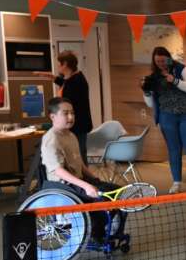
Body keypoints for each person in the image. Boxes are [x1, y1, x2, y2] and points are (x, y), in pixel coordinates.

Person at [40, 97, 123, 240]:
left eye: (72, 113)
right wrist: (86, 186)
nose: (71, 117)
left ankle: (106, 230)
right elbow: (58, 171)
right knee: (101, 199)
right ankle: (95, 235)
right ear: (52, 116)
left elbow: (80, 163)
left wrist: (94, 179)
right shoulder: (51, 139)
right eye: (65, 113)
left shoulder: (71, 135)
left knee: (116, 190)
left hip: (78, 180)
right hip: (63, 185)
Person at [141, 46, 186, 193]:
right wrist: (146, 91)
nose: (160, 64)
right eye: (157, 61)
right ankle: (176, 182)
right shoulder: (154, 77)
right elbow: (150, 104)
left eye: (163, 61)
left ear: (169, 58)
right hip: (167, 117)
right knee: (174, 150)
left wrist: (175, 81)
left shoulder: (181, 69)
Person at [53, 51, 93, 159]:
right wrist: (53, 78)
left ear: (65, 64)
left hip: (77, 126)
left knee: (78, 157)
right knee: (75, 156)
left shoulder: (76, 81)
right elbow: (66, 84)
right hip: (75, 125)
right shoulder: (74, 78)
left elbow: (68, 100)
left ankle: (81, 171)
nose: (57, 66)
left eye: (59, 63)